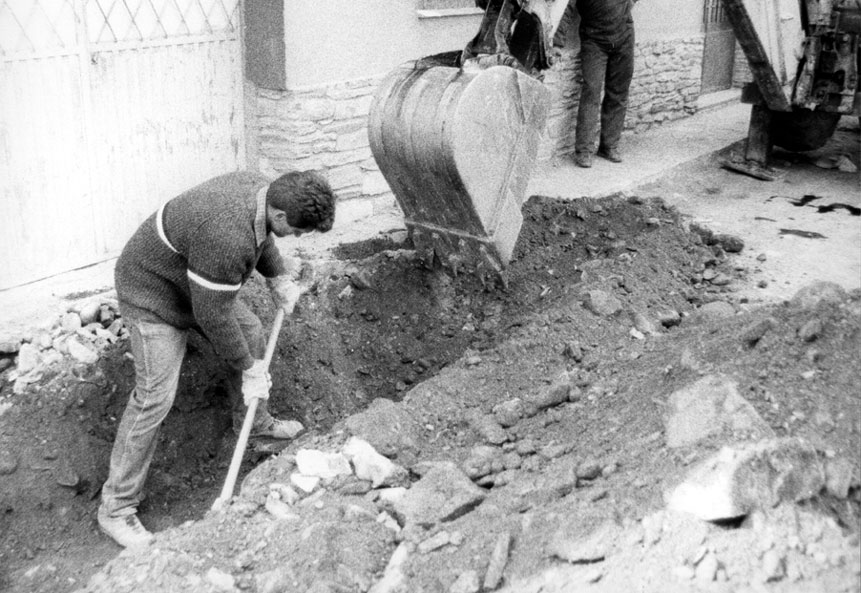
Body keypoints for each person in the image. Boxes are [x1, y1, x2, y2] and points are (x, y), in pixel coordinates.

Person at [98, 170, 336, 548]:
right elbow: (212, 315)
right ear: (278, 214)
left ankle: (256, 429)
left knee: (253, 331)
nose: (300, 238)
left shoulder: (261, 194)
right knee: (154, 397)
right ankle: (116, 507)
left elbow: (262, 242)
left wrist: (278, 278)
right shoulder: (226, 233)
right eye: (300, 231)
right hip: (151, 294)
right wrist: (249, 369)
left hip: (193, 280)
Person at [573, 0, 637, 168]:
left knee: (619, 92)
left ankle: (609, 146)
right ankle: (584, 150)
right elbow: (564, 6)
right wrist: (556, 43)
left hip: (624, 35)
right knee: (591, 92)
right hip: (593, 39)